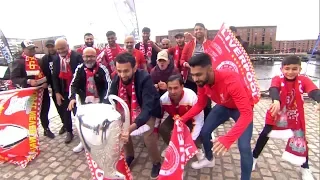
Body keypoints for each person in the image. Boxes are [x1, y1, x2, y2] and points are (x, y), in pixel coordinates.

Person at [179, 53, 254, 180]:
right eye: (193, 75)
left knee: (244, 147)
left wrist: (228, 138)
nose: (195, 79)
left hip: (241, 109)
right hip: (223, 106)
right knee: (205, 132)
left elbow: (247, 114)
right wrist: (182, 119)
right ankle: (209, 158)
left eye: (198, 74)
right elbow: (200, 104)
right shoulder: (202, 82)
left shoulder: (230, 80)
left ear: (209, 69)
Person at [252, 55, 320, 180]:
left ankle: (305, 167)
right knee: (264, 135)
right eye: (287, 68)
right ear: (282, 69)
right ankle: (254, 157)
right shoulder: (278, 79)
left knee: (301, 139)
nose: (290, 72)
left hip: (295, 115)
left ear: (300, 69)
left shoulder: (303, 80)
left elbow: (313, 91)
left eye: (294, 69)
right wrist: (276, 100)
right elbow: (274, 89)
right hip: (277, 113)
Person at [108, 52, 162, 179]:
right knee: (122, 133)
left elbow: (147, 108)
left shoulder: (145, 78)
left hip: (146, 109)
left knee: (148, 137)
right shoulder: (116, 78)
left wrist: (130, 128)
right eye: (119, 71)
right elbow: (110, 97)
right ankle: (130, 155)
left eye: (126, 71)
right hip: (126, 108)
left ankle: (156, 162)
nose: (122, 75)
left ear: (135, 67)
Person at [68, 47, 111, 153]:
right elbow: (73, 85)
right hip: (85, 102)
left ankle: (100, 142)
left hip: (100, 102)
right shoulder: (79, 69)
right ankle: (83, 142)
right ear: (83, 57)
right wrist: (73, 98)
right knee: (83, 123)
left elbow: (109, 85)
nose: (89, 59)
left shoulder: (102, 68)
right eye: (87, 56)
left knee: (100, 124)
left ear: (96, 57)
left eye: (92, 56)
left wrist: (105, 101)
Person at [10, 40, 54, 138]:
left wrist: (46, 83)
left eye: (33, 48)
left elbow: (45, 74)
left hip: (43, 90)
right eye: (30, 49)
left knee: (45, 110)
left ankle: (46, 129)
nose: (32, 51)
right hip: (29, 93)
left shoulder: (38, 60)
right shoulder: (18, 61)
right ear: (23, 49)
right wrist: (28, 81)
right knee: (31, 114)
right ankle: (31, 133)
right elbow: (14, 78)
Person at [159, 74, 204, 161]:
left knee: (198, 132)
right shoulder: (163, 99)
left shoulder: (192, 97)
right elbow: (160, 116)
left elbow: (199, 121)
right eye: (170, 88)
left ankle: (197, 148)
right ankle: (172, 147)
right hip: (175, 118)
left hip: (191, 119)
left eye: (176, 88)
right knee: (163, 128)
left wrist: (191, 141)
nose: (172, 91)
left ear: (182, 86)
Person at [52, 38, 83, 143]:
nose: (61, 51)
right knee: (66, 114)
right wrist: (57, 92)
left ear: (67, 46)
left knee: (78, 113)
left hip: (76, 91)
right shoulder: (56, 60)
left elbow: (82, 74)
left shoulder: (77, 56)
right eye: (58, 49)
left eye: (63, 48)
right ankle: (69, 131)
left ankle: (83, 132)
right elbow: (54, 77)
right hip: (64, 91)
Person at [42, 40, 64, 120]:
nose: (51, 48)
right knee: (59, 106)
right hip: (54, 86)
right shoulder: (45, 59)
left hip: (64, 83)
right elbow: (44, 72)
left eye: (52, 46)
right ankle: (64, 123)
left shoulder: (61, 56)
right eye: (49, 47)